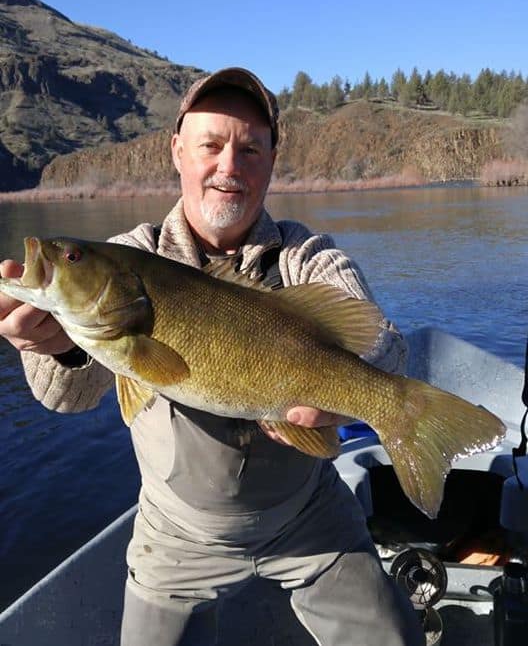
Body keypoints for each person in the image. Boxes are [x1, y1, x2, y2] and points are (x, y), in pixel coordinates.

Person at [0, 67, 424, 646]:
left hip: (309, 517)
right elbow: (66, 398)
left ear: (273, 160)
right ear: (177, 151)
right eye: (211, 145)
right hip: (176, 535)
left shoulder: (307, 254)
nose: (229, 165)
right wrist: (53, 348)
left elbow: (384, 342)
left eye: (250, 148)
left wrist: (355, 387)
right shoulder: (131, 257)